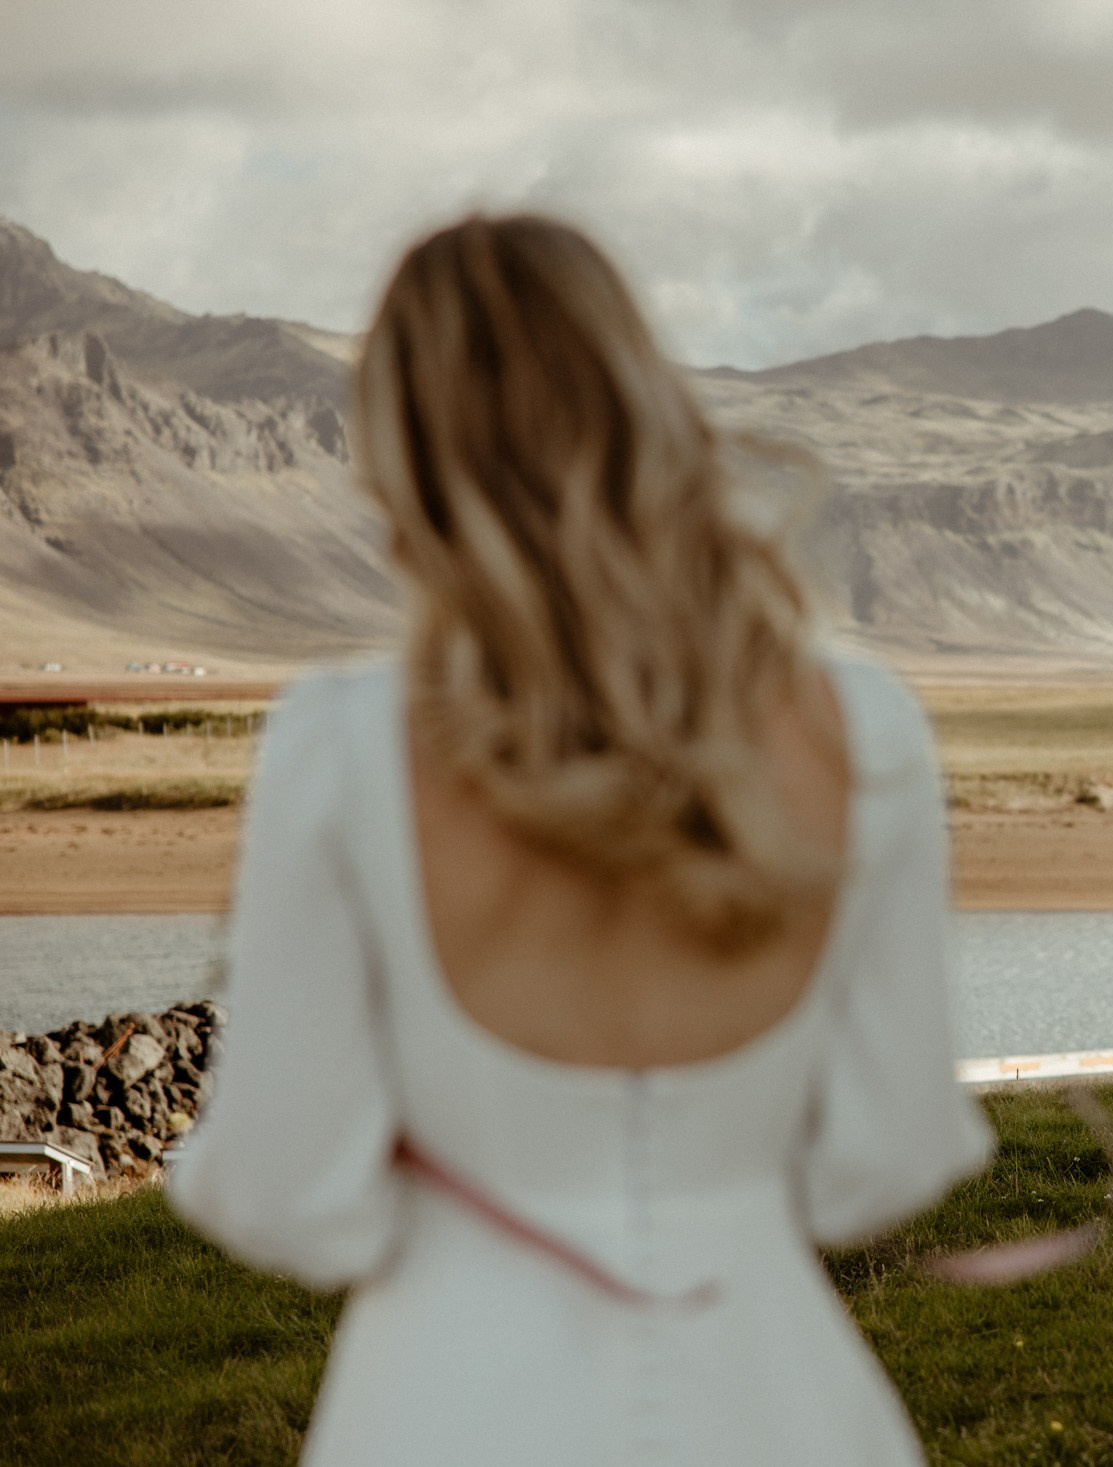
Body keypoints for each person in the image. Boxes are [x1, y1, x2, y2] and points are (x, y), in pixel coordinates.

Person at [168, 214, 993, 1465]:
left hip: (445, 1405)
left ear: (401, 453)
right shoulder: (862, 725)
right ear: (642, 402)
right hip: (779, 1402)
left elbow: (298, 1205)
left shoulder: (338, 744)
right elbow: (886, 1159)